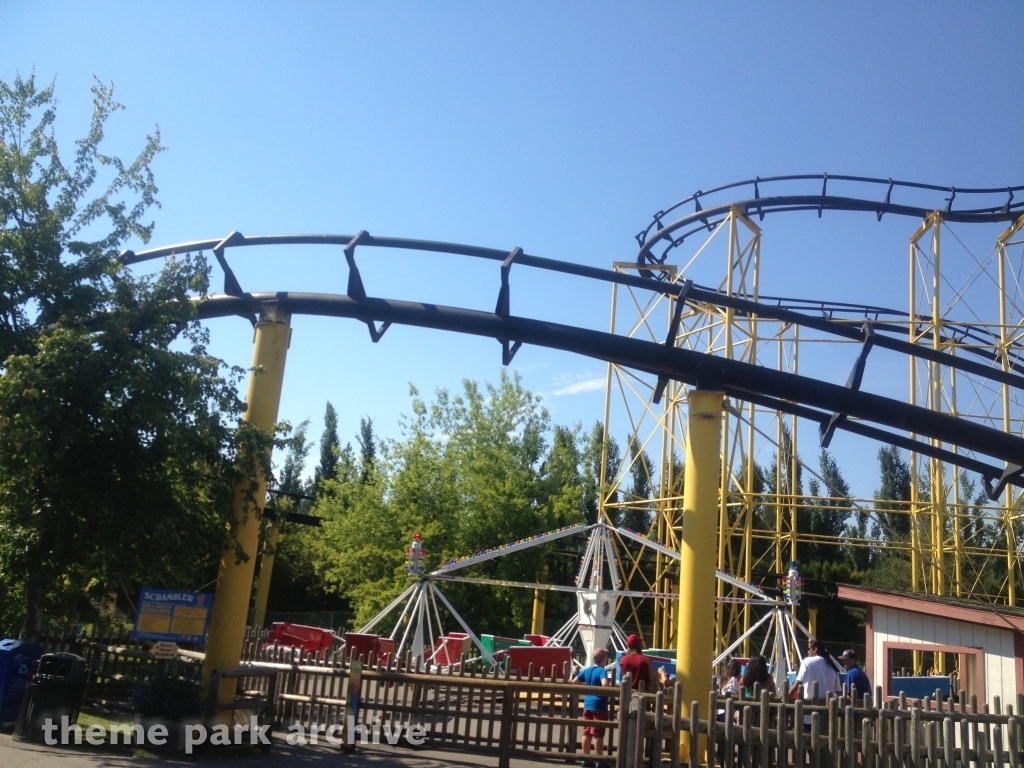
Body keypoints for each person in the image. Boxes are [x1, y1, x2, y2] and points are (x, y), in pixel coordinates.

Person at [575, 648, 611, 767]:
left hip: (587, 705)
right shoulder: (601, 671)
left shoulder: (588, 670)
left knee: (586, 732)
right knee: (598, 733)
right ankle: (599, 760)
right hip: (599, 705)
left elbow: (575, 681)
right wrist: (609, 689)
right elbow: (605, 684)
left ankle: (585, 758)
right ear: (604, 659)